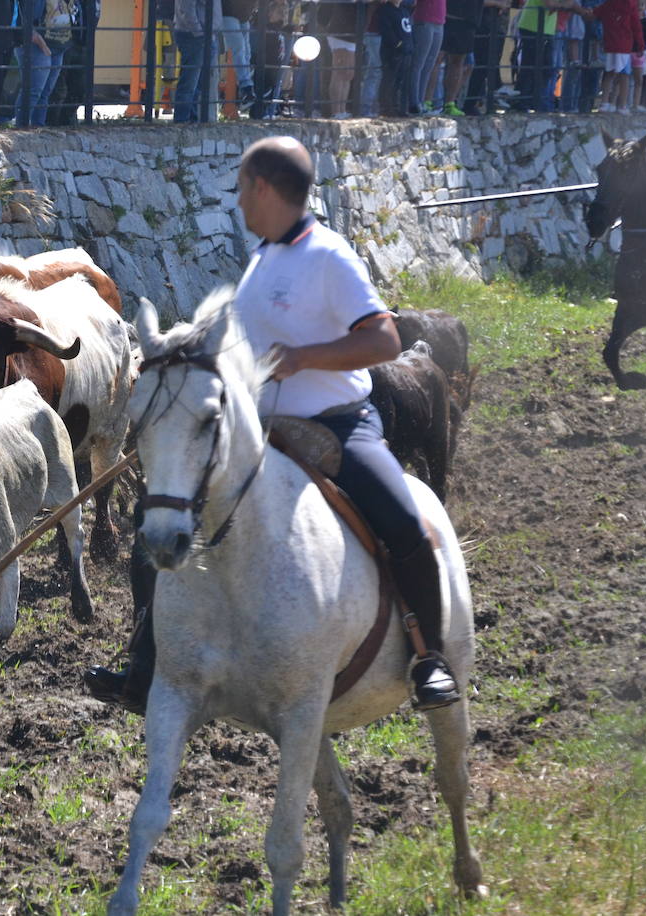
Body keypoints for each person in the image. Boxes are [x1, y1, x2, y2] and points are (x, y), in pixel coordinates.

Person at [85, 136, 462, 716]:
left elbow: (384, 339)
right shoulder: (263, 259)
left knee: (405, 521)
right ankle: (148, 662)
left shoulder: (330, 257)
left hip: (339, 427)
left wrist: (307, 356)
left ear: (264, 188)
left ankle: (429, 658)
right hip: (260, 429)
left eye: (241, 189)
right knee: (158, 518)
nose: (237, 201)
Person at [173, 0, 224, 122]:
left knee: (197, 85)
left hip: (205, 35)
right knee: (190, 83)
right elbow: (186, 8)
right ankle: (183, 121)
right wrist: (199, 32)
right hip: (195, 36)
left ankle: (189, 120)